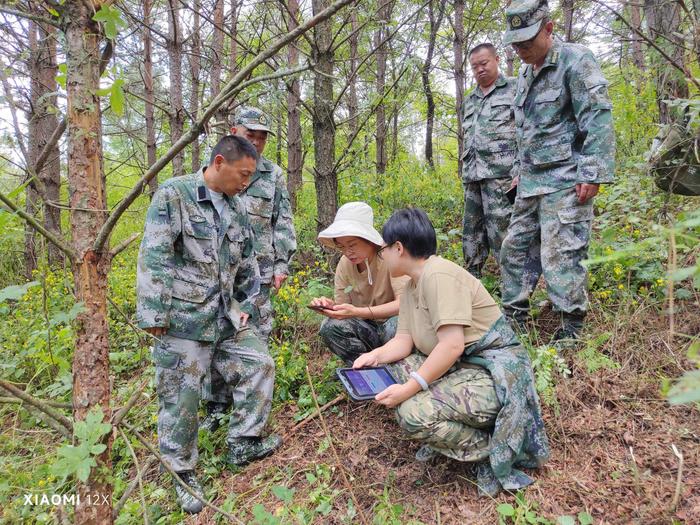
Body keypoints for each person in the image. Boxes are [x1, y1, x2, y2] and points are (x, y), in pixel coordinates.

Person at [353, 208, 549, 496]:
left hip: (494, 373)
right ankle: (453, 427)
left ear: (399, 248)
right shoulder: (411, 286)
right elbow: (404, 340)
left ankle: (490, 452)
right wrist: (374, 356)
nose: (381, 256)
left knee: (412, 413)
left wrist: (410, 389)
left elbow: (452, 344)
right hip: (465, 366)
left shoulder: (439, 275)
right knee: (391, 369)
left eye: (383, 249)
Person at [136, 135, 281, 514]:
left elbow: (248, 260)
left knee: (259, 364)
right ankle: (182, 473)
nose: (247, 182)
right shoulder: (175, 195)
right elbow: (155, 254)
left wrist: (248, 302)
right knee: (181, 398)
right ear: (219, 162)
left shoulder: (237, 207)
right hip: (183, 319)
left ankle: (243, 441)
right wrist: (154, 315)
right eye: (243, 174)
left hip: (225, 316)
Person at [499, 0, 615, 340]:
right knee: (515, 249)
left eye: (526, 41)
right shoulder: (524, 73)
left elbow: (596, 116)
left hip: (566, 181)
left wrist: (591, 172)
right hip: (531, 183)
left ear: (548, 29)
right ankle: (514, 320)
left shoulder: (575, 61)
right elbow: (527, 130)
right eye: (515, 43)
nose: (520, 49)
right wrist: (519, 171)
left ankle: (570, 329)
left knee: (562, 256)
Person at [201, 106, 297, 430]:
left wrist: (283, 263)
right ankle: (216, 405)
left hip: (263, 271)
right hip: (223, 272)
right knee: (218, 335)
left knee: (257, 334)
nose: (256, 141)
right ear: (233, 130)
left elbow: (282, 221)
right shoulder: (217, 165)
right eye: (250, 134)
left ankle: (252, 404)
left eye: (261, 137)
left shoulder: (273, 174)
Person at [310, 201, 409, 364]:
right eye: (341, 246)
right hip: (367, 328)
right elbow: (345, 310)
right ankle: (364, 370)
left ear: (369, 239)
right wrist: (331, 306)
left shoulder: (389, 255)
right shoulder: (344, 263)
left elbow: (404, 304)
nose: (347, 252)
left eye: (352, 245)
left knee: (396, 324)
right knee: (330, 326)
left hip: (394, 328)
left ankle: (398, 371)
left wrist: (357, 312)